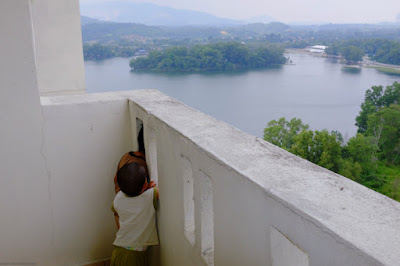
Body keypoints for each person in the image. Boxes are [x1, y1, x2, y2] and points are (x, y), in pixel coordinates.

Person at [111, 154, 159, 266]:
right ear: (145, 185)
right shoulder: (148, 197)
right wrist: (148, 189)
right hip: (134, 255)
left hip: (118, 250)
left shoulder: (118, 198)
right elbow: (159, 191)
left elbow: (115, 209)